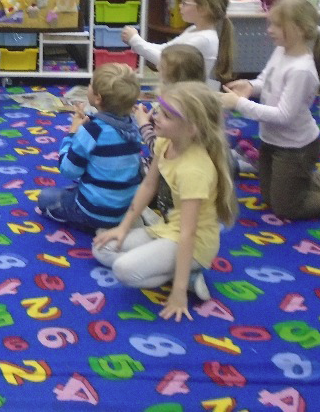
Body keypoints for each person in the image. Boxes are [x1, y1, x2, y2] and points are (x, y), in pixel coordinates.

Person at [93, 82, 238, 320]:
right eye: (159, 109)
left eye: (167, 116)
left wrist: (178, 292)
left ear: (191, 129)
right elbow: (148, 186)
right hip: (168, 228)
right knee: (102, 247)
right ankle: (178, 271)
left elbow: (188, 233)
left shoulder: (194, 170)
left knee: (123, 270)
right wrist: (123, 227)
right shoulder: (165, 142)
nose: (156, 117)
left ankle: (185, 276)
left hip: (194, 244)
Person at [220, 0, 320, 219]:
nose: (269, 30)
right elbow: (266, 80)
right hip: (272, 140)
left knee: (287, 208)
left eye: (277, 25)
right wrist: (250, 86)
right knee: (270, 197)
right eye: (270, 24)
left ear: (300, 29)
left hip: (296, 148)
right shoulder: (282, 50)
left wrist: (239, 104)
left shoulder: (301, 70)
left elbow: (284, 116)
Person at [35, 63, 143, 233]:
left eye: (90, 84)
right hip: (124, 210)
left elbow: (69, 170)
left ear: (98, 98)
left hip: (94, 211)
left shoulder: (92, 131)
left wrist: (72, 133)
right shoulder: (133, 126)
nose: (88, 86)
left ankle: (91, 224)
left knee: (45, 197)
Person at [133, 44, 207, 224]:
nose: (157, 68)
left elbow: (159, 150)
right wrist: (155, 122)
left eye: (162, 67)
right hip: (172, 175)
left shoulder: (183, 106)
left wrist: (144, 125)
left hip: (170, 179)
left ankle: (146, 214)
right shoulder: (197, 100)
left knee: (123, 170)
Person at [122, 0, 235, 89]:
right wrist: (137, 41)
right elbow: (165, 49)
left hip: (189, 94)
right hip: (180, 90)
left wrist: (135, 40)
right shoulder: (193, 30)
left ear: (203, 9)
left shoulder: (204, 39)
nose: (180, 6)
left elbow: (166, 61)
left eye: (184, 2)